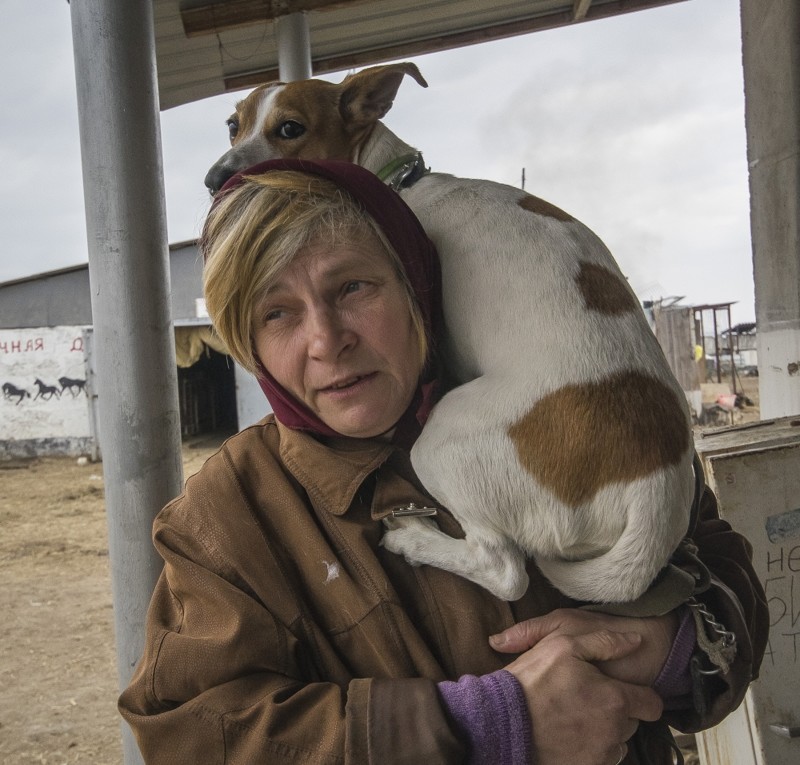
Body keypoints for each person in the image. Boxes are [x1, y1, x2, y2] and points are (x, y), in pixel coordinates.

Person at [119, 159, 767, 765]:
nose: (327, 339)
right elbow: (192, 732)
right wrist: (487, 722)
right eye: (277, 312)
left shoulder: (568, 414)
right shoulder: (228, 520)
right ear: (249, 341)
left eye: (351, 286)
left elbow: (726, 577)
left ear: (413, 285)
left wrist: (669, 647)